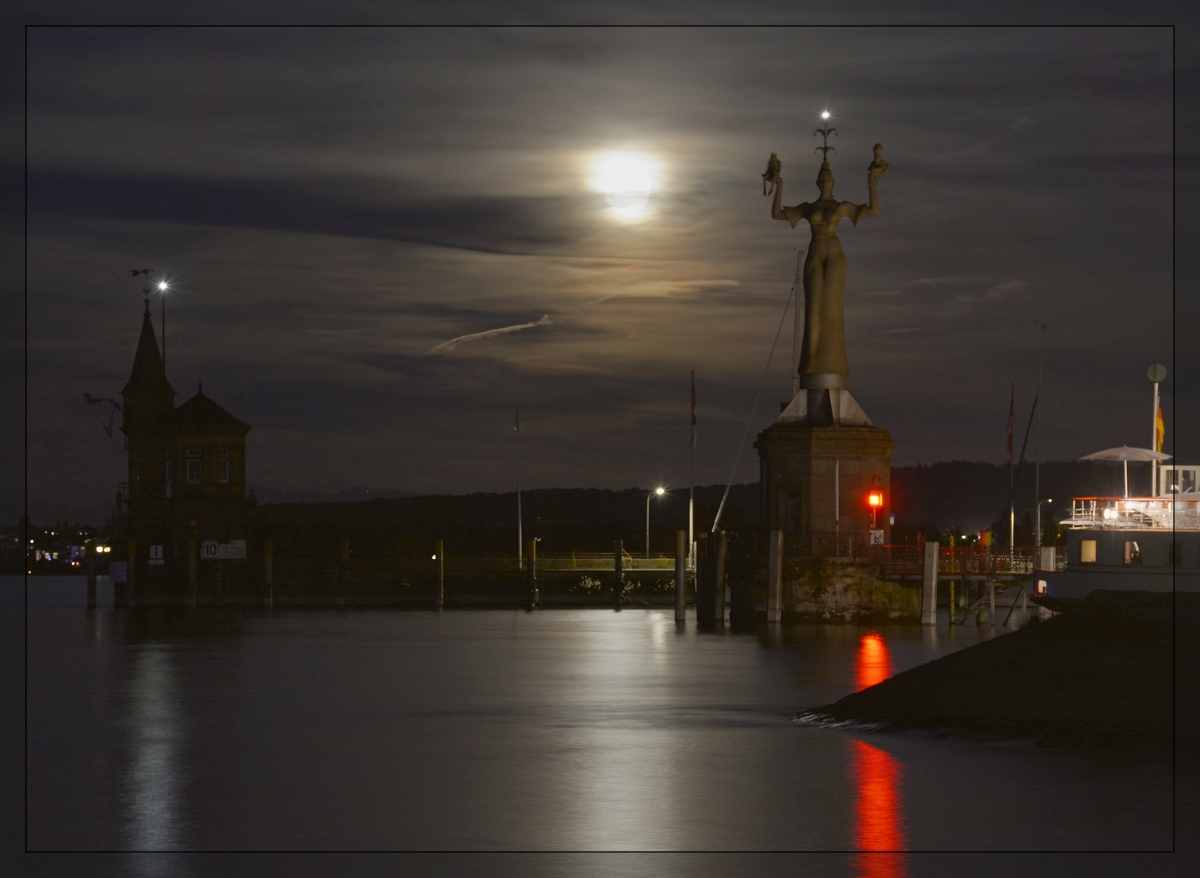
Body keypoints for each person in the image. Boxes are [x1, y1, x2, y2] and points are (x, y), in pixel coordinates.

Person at [766, 146, 889, 381]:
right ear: (817, 183)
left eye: (828, 179)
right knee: (813, 308)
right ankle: (812, 366)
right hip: (815, 250)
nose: (825, 183)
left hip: (834, 251)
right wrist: (778, 185)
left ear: (833, 182)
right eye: (822, 180)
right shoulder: (808, 207)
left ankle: (835, 368)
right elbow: (777, 215)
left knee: (832, 308)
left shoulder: (840, 206)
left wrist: (872, 181)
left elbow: (873, 210)